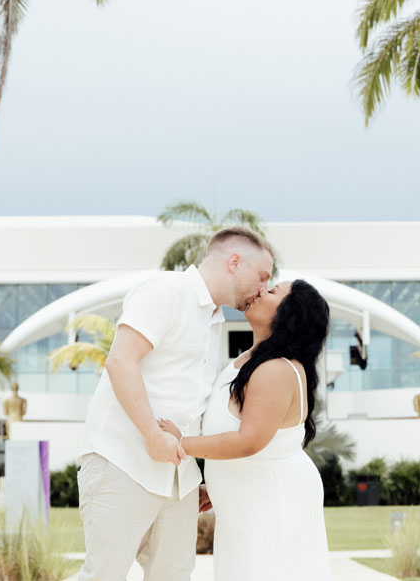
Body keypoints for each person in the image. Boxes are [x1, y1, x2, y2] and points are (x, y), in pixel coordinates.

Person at [77, 227, 274, 581]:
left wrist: (201, 477)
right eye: (262, 276)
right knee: (103, 575)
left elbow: (189, 401)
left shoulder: (212, 319)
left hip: (179, 480)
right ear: (234, 262)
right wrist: (153, 435)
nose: (263, 288)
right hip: (123, 463)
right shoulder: (166, 291)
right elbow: (120, 361)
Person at [160, 279, 332, 581]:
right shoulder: (247, 362)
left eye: (274, 290)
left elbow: (249, 441)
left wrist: (181, 442)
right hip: (247, 504)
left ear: (291, 313)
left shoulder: (276, 369)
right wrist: (218, 484)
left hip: (273, 504)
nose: (262, 290)